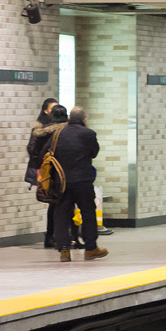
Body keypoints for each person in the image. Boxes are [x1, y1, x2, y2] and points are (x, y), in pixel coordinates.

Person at [48, 107, 108, 262]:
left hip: (62, 182)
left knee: (61, 214)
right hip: (83, 181)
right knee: (88, 213)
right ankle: (90, 248)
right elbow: (94, 152)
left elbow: (46, 154)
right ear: (84, 119)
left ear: (69, 118)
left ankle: (64, 250)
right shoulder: (88, 134)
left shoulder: (58, 134)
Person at [27, 99, 63, 249]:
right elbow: (32, 149)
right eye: (53, 108)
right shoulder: (44, 129)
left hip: (51, 170)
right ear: (46, 111)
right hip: (50, 171)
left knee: (55, 204)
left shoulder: (48, 129)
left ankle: (53, 235)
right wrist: (43, 166)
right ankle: (53, 236)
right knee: (54, 203)